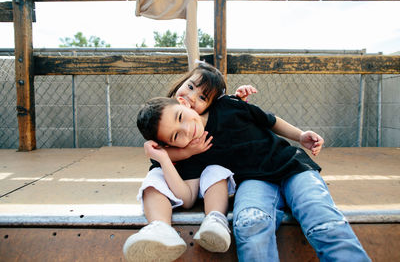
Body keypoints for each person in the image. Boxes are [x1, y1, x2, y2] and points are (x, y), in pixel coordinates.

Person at [136, 90, 371, 261]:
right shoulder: (193, 154)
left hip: (291, 166)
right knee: (249, 222)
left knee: (323, 220)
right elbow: (182, 192)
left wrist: (300, 135)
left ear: (183, 103)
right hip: (253, 181)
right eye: (177, 136)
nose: (188, 129)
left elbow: (268, 120)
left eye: (180, 117)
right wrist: (169, 156)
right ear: (169, 145)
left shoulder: (227, 105)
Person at [123, 62, 258, 262]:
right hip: (174, 177)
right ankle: (160, 228)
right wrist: (181, 153)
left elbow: (231, 120)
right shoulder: (165, 110)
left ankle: (215, 220)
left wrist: (240, 102)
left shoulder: (208, 119)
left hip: (202, 178)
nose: (191, 97)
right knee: (153, 180)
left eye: (203, 98)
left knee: (216, 171)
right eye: (191, 86)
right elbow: (155, 152)